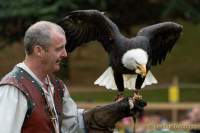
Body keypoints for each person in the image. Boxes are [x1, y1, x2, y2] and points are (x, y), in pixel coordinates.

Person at [0, 21, 146, 133]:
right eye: (59, 49)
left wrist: (113, 111)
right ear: (39, 51)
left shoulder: (56, 86)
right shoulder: (14, 89)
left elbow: (74, 125)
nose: (65, 54)